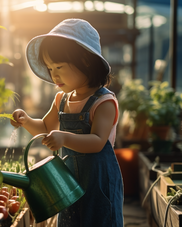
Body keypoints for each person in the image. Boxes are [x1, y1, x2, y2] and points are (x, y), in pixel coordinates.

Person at [10, 19, 123, 227]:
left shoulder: (103, 102)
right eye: (50, 68)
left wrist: (64, 138)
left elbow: (98, 141)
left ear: (86, 61)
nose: (54, 74)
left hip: (98, 183)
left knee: (99, 220)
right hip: (69, 180)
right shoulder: (61, 99)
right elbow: (44, 127)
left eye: (59, 66)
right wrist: (26, 120)